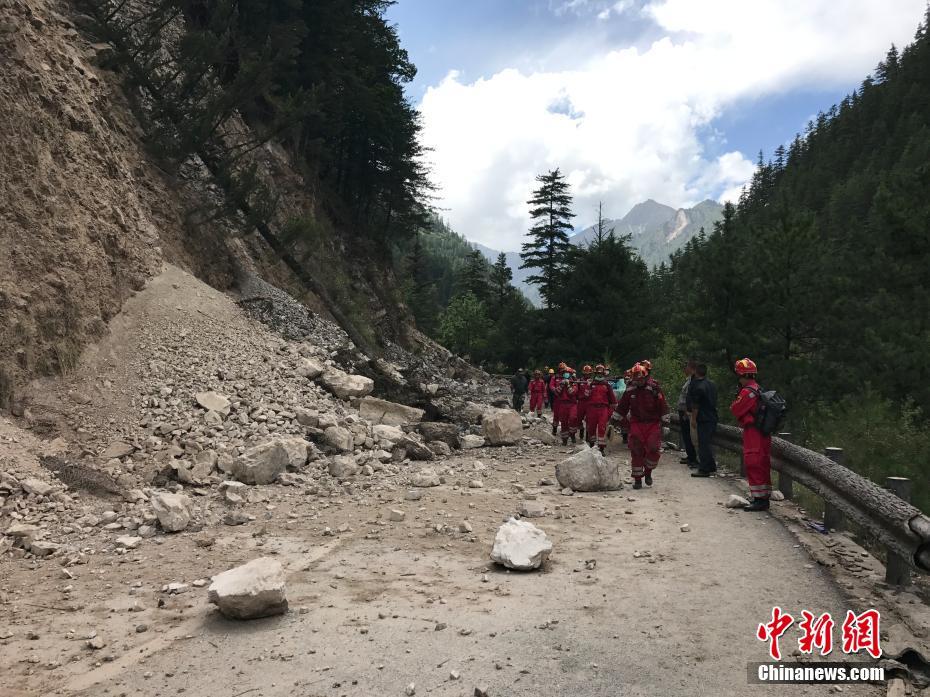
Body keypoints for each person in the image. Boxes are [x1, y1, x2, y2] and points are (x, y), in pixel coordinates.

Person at [616, 363, 669, 489]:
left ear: (646, 377)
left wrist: (666, 423)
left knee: (653, 448)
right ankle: (638, 479)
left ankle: (648, 472)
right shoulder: (630, 390)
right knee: (636, 449)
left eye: (640, 379)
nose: (638, 382)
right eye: (636, 379)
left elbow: (663, 406)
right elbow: (622, 407)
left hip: (653, 423)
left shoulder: (654, 389)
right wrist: (612, 422)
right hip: (636, 423)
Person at [731, 358, 772, 511]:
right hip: (763, 432)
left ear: (742, 375)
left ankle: (759, 500)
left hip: (753, 432)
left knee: (753, 462)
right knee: (762, 462)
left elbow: (735, 409)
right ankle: (763, 496)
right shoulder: (758, 388)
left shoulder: (748, 392)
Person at [688, 362, 718, 477]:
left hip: (703, 417)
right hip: (712, 416)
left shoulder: (698, 387)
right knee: (707, 442)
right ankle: (711, 465)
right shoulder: (712, 384)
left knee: (703, 444)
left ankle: (704, 469)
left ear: (696, 372)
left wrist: (694, 419)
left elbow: (696, 405)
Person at [583, 364, 617, 452]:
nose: (599, 375)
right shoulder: (591, 383)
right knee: (591, 427)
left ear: (603, 374)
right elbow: (586, 396)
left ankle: (601, 449)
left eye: (601, 374)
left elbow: (612, 399)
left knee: (602, 427)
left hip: (603, 409)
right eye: (598, 373)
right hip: (592, 409)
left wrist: (613, 412)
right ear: (595, 373)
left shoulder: (607, 385)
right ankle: (592, 446)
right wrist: (588, 386)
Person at [677, 359, 698, 467]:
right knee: (686, 435)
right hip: (683, 411)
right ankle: (690, 455)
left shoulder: (692, 381)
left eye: (686, 367)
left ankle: (692, 458)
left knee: (689, 435)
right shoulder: (689, 379)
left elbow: (689, 398)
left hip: (686, 411)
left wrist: (686, 411)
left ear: (691, 368)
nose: (685, 369)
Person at [553, 366, 579, 445]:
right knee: (563, 421)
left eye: (567, 373)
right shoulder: (561, 382)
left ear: (570, 374)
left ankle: (572, 434)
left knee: (573, 418)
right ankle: (564, 439)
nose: (566, 374)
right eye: (564, 373)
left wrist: (568, 385)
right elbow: (556, 392)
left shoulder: (574, 383)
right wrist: (561, 385)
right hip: (562, 404)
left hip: (572, 404)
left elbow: (572, 393)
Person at [576, 365, 593, 442]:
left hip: (589, 402)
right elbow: (576, 390)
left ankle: (587, 437)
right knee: (579, 418)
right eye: (586, 373)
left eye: (588, 373)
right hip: (581, 402)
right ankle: (581, 429)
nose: (587, 374)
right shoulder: (579, 381)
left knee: (589, 420)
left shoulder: (593, 381)